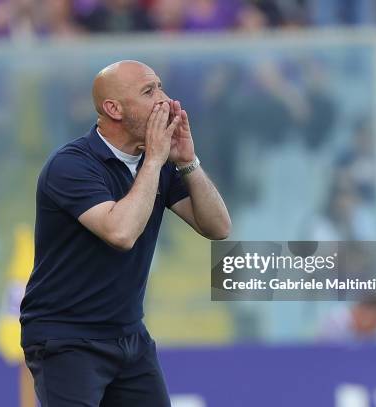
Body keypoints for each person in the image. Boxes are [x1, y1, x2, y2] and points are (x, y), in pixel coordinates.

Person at [20, 60, 231, 406]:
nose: (165, 100)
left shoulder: (159, 161)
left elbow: (219, 227)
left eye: (161, 86)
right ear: (113, 109)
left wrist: (187, 161)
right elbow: (121, 232)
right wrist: (154, 161)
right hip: (67, 337)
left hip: (128, 334)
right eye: (149, 91)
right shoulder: (71, 165)